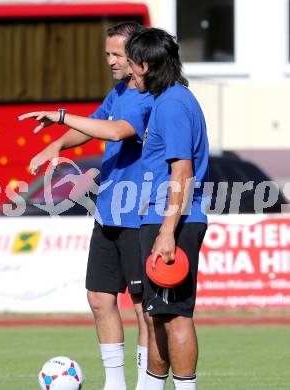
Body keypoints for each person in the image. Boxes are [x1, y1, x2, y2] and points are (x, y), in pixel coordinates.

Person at [19, 22, 154, 390]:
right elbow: (94, 124)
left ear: (137, 56)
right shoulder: (120, 89)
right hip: (109, 210)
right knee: (98, 297)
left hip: (139, 214)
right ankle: (115, 384)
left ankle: (147, 383)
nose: (109, 61)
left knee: (144, 306)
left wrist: (61, 114)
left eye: (116, 55)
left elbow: (114, 131)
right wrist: (58, 145)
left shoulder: (148, 95)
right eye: (107, 54)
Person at [126, 28, 209, 390]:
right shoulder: (168, 99)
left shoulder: (174, 104)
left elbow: (183, 171)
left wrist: (165, 231)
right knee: (157, 316)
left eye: (131, 64)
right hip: (161, 218)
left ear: (146, 65)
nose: (129, 72)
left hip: (172, 221)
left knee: (174, 316)